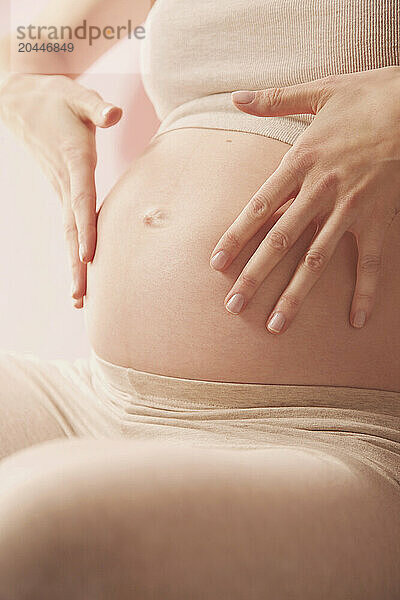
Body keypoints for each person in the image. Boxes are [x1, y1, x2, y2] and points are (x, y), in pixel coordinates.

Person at [0, 1, 399, 598]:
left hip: (334, 436)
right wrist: (23, 89)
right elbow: (32, 50)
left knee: (39, 524)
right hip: (96, 397)